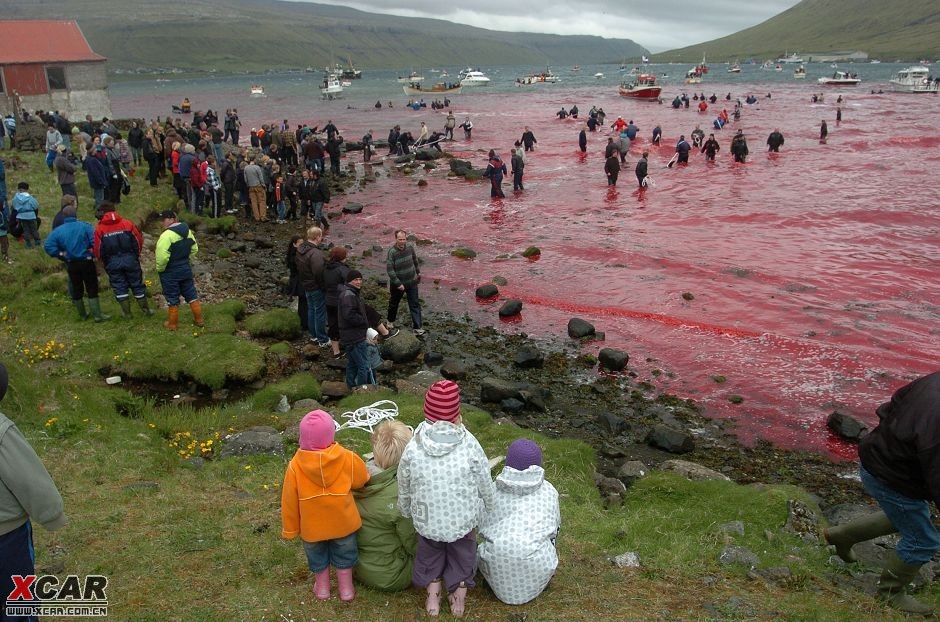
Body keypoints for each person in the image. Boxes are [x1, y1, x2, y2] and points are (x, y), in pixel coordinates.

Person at [824, 372, 940, 615]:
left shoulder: (934, 381)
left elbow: (894, 402)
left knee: (907, 515)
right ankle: (890, 593)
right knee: (923, 540)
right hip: (892, 475)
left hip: (879, 453)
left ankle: (841, 535)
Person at [398, 380, 494, 618]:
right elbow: (484, 477)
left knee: (429, 551)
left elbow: (404, 480)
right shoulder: (470, 444)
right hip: (462, 519)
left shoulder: (414, 444)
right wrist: (490, 503)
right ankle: (458, 595)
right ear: (456, 415)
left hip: (427, 517)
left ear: (426, 412)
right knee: (463, 553)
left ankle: (433, 594)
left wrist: (405, 507)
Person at [0, 362, 68, 622]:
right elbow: (29, 480)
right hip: (6, 538)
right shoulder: (3, 431)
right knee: (17, 603)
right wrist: (51, 514)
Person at [281, 409, 370, 602]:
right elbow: (361, 479)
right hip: (343, 523)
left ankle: (322, 588)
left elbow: (289, 501)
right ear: (331, 434)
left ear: (302, 438)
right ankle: (346, 589)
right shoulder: (347, 457)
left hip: (312, 528)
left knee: (317, 557)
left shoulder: (295, 466)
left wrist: (290, 529)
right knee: (345, 553)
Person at [478, 438, 560, 605]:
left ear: (508, 462)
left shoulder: (493, 489)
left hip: (496, 566)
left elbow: (481, 524)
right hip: (537, 567)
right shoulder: (549, 492)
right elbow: (555, 527)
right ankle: (538, 578)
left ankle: (496, 579)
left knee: (485, 547)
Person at [354, 420, 417, 592]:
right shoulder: (400, 494)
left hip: (356, 568)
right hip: (394, 575)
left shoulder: (356, 478)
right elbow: (411, 541)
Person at [44, 205, 110, 322]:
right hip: (86, 261)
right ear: (76, 215)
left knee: (76, 288)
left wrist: (61, 254)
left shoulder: (58, 231)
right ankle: (97, 315)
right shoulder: (85, 226)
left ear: (64, 216)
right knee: (92, 287)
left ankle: (83, 315)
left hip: (71, 263)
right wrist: (95, 254)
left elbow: (48, 246)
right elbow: (95, 242)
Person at [94, 202, 152, 317]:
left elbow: (98, 250)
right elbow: (138, 241)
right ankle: (146, 311)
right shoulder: (127, 224)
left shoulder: (99, 229)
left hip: (112, 262)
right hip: (131, 260)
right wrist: (135, 256)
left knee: (119, 286)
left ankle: (127, 314)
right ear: (114, 210)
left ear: (102, 213)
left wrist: (105, 261)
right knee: (137, 284)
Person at [155, 210, 202, 330]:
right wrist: (185, 259)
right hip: (185, 268)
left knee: (172, 297)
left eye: (163, 219)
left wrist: (160, 269)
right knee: (191, 294)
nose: (161, 223)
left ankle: (172, 325)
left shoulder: (166, 236)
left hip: (170, 271)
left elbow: (162, 257)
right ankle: (199, 320)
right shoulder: (188, 232)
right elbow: (194, 249)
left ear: (172, 220)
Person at [337, 269, 373, 388]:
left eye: (360, 279)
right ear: (349, 281)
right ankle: (361, 390)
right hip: (355, 337)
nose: (358, 282)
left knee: (352, 364)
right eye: (355, 280)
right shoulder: (349, 295)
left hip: (349, 336)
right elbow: (349, 315)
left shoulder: (349, 293)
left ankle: (350, 386)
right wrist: (363, 322)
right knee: (363, 365)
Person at [386, 230, 424, 335]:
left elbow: (415, 261)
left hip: (412, 282)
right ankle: (390, 321)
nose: (402, 241)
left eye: (404, 239)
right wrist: (398, 284)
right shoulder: (392, 252)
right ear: (396, 239)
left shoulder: (410, 248)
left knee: (415, 304)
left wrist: (418, 273)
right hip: (398, 285)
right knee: (394, 304)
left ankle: (417, 328)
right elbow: (390, 270)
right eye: (400, 239)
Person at [297, 226, 329, 346]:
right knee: (320, 312)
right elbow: (318, 272)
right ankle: (322, 339)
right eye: (321, 236)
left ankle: (314, 336)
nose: (321, 238)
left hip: (306, 284)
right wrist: (323, 286)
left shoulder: (300, 249)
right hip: (316, 286)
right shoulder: (315, 253)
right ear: (317, 237)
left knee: (311, 309)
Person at [12, 182, 41, 249]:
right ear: (27, 189)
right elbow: (35, 205)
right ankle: (37, 240)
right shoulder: (29, 197)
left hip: (21, 215)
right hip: (30, 215)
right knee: (33, 228)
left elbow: (14, 205)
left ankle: (28, 243)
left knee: (26, 229)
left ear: (19, 189)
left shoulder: (16, 198)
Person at [244, 157, 266, 222]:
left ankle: (257, 217)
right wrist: (263, 185)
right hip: (258, 186)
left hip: (251, 186)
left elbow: (245, 179)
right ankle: (263, 216)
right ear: (254, 160)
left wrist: (248, 185)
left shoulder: (246, 168)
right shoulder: (257, 167)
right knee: (261, 201)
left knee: (254, 203)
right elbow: (261, 177)